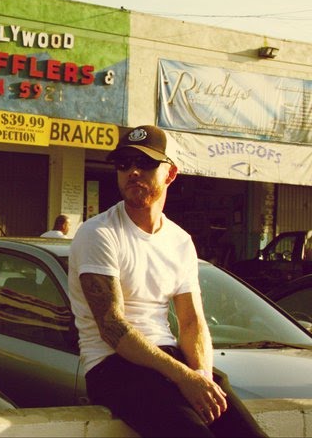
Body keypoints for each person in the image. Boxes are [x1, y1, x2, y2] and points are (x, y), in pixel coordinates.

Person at [67, 125, 266, 437]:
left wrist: (200, 375)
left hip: (168, 361)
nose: (132, 172)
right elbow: (112, 327)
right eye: (124, 164)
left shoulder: (179, 240)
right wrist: (183, 378)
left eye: (145, 163)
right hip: (112, 366)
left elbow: (191, 321)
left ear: (170, 173)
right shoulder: (99, 233)